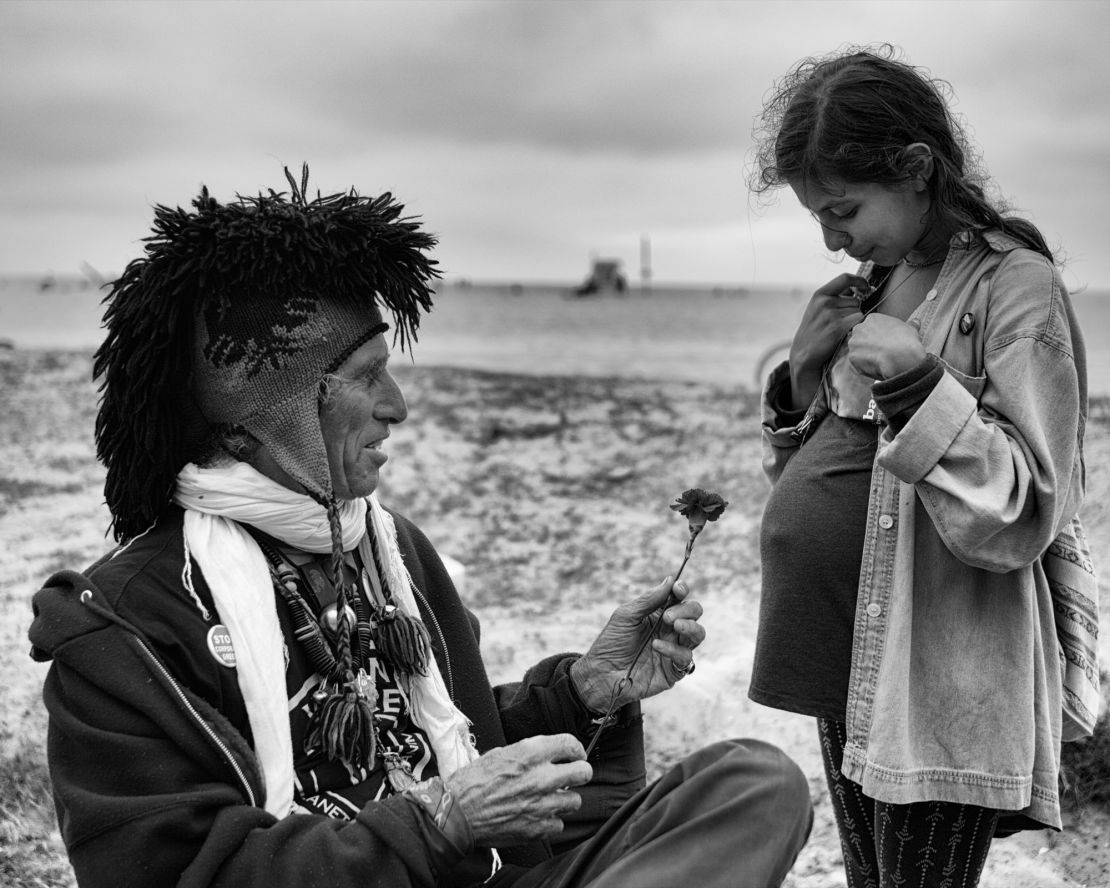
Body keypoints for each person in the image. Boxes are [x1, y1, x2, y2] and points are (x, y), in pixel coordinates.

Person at [29, 167, 812, 888]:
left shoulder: (391, 551)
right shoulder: (126, 629)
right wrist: (439, 820)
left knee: (751, 782)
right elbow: (182, 873)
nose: (398, 405)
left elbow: (449, 741)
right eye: (366, 378)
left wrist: (580, 695)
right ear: (260, 420)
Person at [745, 45, 1095, 888]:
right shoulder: (878, 279)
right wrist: (799, 381)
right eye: (818, 220)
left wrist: (917, 381)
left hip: (940, 675)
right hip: (847, 652)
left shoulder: (1017, 288)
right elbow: (821, 471)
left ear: (914, 168)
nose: (833, 241)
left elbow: (1027, 504)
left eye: (844, 210)